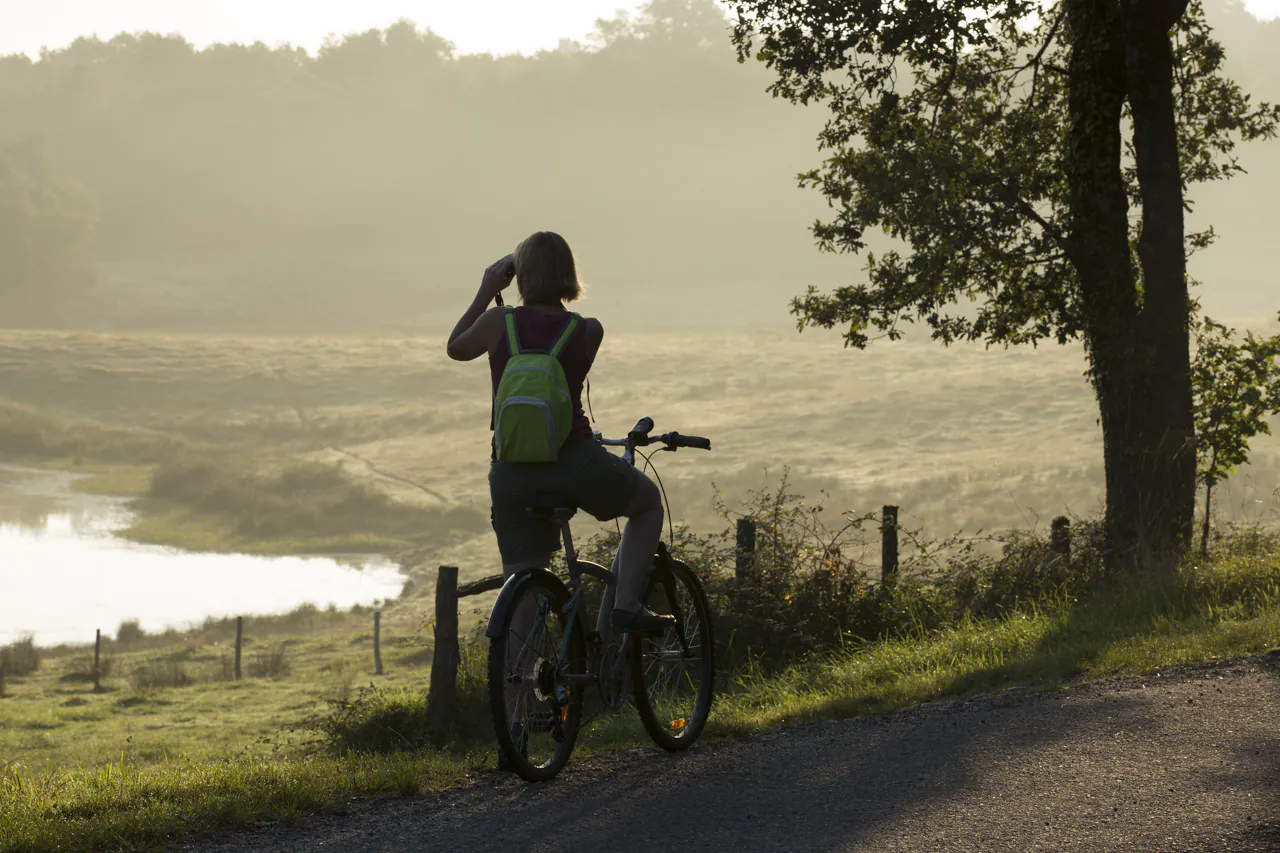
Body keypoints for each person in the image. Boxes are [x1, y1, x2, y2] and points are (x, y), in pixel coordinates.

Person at [446, 231, 673, 633]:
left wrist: (486, 289)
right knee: (648, 503)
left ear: (520, 276)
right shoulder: (587, 330)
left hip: (511, 472)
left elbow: (455, 347)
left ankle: (517, 693)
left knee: (522, 598)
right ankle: (625, 606)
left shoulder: (499, 322)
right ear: (568, 273)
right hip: (574, 460)